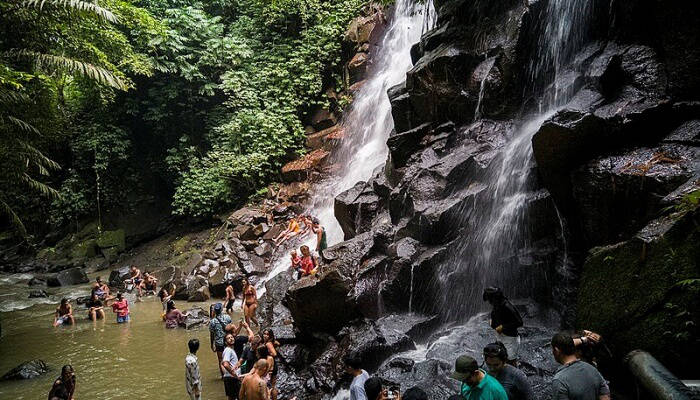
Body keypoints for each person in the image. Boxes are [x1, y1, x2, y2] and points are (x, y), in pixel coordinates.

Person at [551, 331, 610, 400]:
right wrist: (585, 340)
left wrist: (583, 339)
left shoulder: (559, 380)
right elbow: (605, 397)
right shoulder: (593, 370)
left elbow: (565, 344)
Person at [483, 287, 522, 363]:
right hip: (500, 336)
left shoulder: (507, 306)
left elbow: (519, 322)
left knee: (510, 359)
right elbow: (495, 316)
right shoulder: (496, 305)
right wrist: (493, 323)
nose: (490, 303)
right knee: (499, 356)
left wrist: (503, 327)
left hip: (510, 338)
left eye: (490, 300)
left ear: (494, 298)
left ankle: (513, 372)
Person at [209, 302, 233, 377]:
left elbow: (212, 334)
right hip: (228, 341)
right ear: (222, 309)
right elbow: (231, 328)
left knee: (221, 360)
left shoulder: (212, 322)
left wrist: (211, 344)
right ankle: (231, 373)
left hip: (219, 343)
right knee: (230, 358)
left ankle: (224, 376)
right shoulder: (227, 317)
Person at [222, 333, 242, 400]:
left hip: (229, 378)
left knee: (231, 397)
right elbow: (225, 364)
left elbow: (222, 364)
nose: (231, 339)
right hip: (232, 378)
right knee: (240, 396)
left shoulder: (230, 350)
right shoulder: (228, 350)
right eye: (228, 338)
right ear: (225, 342)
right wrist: (234, 374)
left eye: (232, 337)